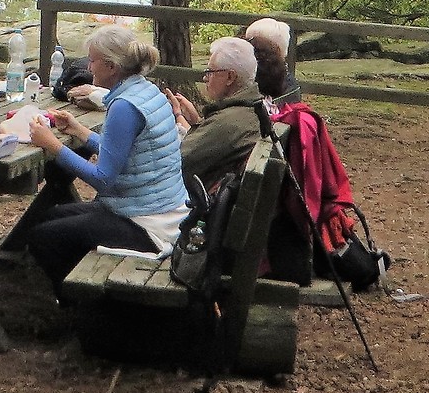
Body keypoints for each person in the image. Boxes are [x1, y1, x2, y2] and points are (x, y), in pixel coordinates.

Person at [25, 24, 188, 291]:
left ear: (112, 67)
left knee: (43, 237)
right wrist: (79, 131)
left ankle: (77, 303)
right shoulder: (146, 90)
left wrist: (53, 145)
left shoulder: (124, 106)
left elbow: (103, 179)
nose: (88, 68)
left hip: (148, 224)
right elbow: (124, 152)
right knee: (48, 217)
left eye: (92, 61)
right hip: (162, 209)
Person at [165, 36, 265, 193]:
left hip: (196, 207)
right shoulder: (252, 108)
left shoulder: (228, 122)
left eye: (210, 72)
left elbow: (176, 163)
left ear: (230, 77)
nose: (205, 78)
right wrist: (195, 120)